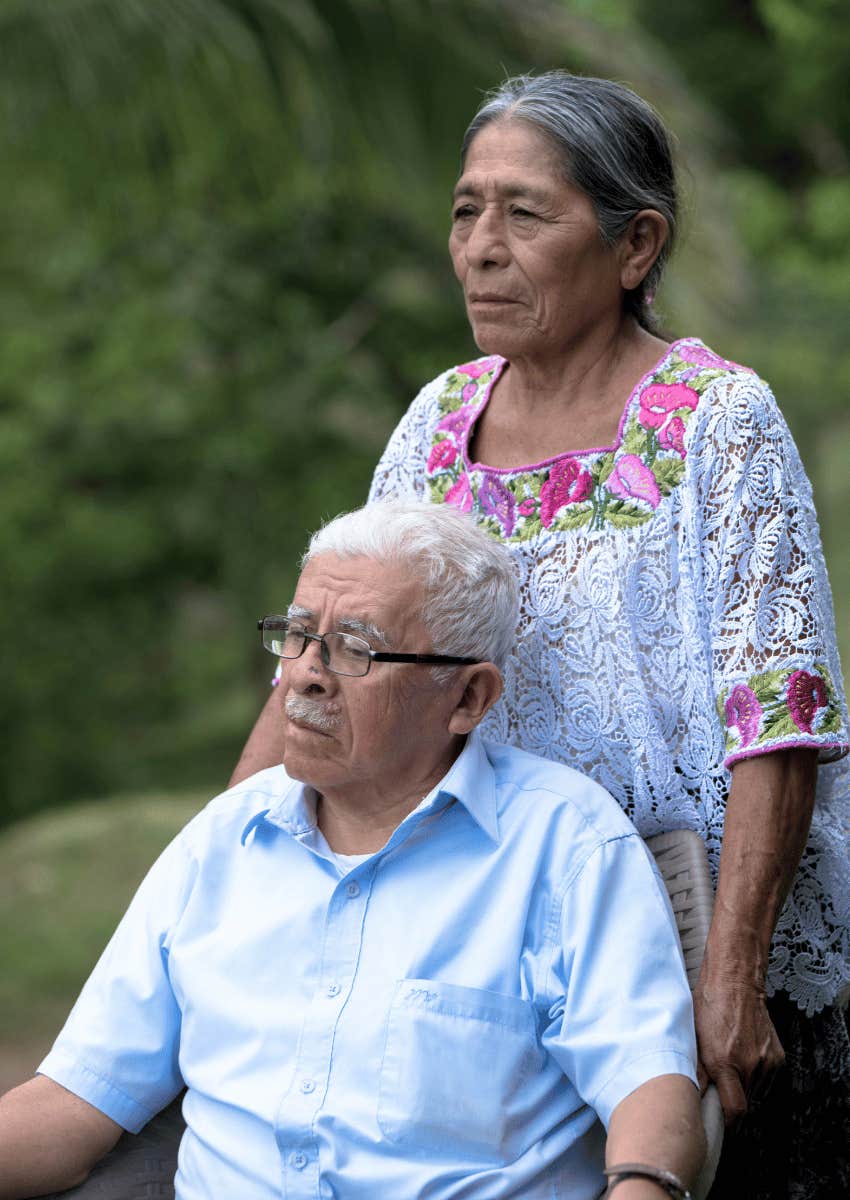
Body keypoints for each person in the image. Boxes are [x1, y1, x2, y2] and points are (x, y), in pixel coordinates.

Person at [231, 72, 850, 1197]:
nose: (479, 247)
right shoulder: (437, 421)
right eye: (467, 211)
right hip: (487, 921)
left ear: (634, 245)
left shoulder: (718, 418)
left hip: (687, 918)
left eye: (525, 213)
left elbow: (779, 709)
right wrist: (225, 887)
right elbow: (324, 657)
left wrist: (732, 974)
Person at [0, 501, 705, 1200]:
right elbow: (73, 1103)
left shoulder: (566, 845)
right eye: (298, 636)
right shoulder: (223, 842)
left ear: (466, 699)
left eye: (355, 649)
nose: (305, 675)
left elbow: (651, 1091)